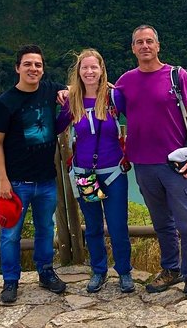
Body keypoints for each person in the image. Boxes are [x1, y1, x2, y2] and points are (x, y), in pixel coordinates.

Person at [115, 24, 187, 303]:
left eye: (149, 41)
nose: (145, 46)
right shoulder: (125, 81)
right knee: (162, 223)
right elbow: (101, 98)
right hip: (143, 165)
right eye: (139, 42)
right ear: (133, 48)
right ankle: (171, 269)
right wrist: (65, 94)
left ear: (158, 46)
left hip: (176, 164)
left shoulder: (177, 75)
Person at [0, 44, 67, 304]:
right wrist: (3, 180)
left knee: (46, 228)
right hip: (17, 182)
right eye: (28, 64)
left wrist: (67, 92)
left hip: (46, 179)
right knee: (10, 234)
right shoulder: (4, 103)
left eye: (38, 65)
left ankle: (45, 271)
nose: (33, 69)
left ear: (43, 69)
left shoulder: (49, 90)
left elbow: (77, 88)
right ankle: (10, 281)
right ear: (17, 68)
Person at [55, 48, 134, 294]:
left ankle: (124, 271)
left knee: (118, 225)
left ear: (101, 70)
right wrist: (55, 97)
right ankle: (98, 271)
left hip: (113, 172)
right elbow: (57, 126)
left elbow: (138, 118)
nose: (89, 72)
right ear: (78, 72)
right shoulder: (72, 100)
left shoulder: (114, 97)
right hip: (85, 172)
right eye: (84, 68)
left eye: (93, 67)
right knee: (93, 226)